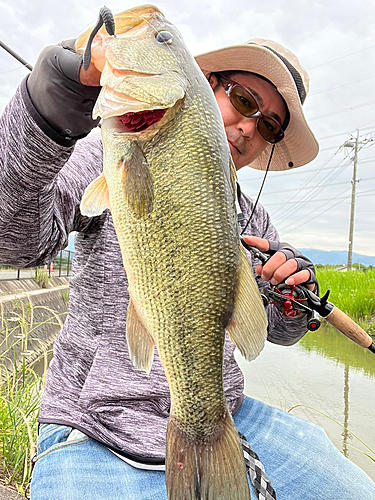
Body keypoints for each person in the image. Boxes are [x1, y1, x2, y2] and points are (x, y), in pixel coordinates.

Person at [0, 16, 374, 499]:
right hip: (92, 425)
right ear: (206, 87)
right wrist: (44, 116)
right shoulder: (112, 154)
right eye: (243, 100)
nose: (247, 126)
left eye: (270, 126)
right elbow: (13, 240)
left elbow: (278, 334)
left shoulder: (252, 220)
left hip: (223, 413)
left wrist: (291, 293)